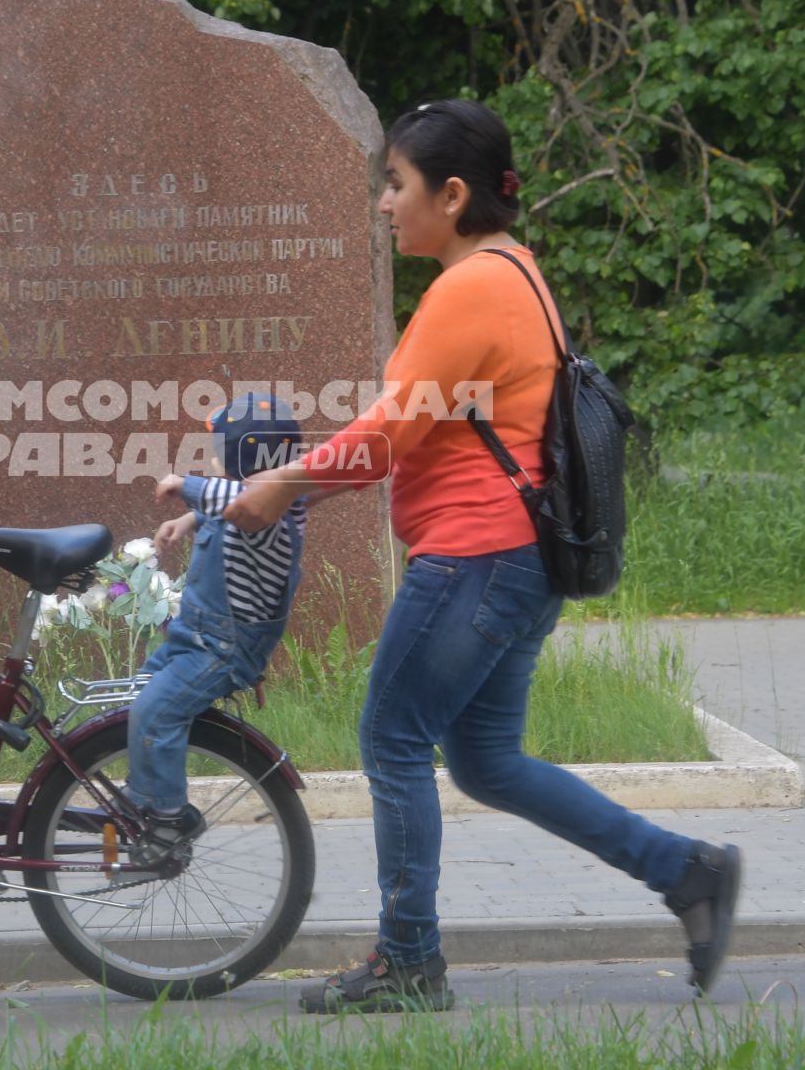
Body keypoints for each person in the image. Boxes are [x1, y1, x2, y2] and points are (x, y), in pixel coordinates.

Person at [223, 100, 741, 1013]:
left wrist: (283, 484)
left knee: (390, 736)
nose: (385, 204)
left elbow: (390, 436)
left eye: (395, 185)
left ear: (452, 194)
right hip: (520, 558)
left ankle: (408, 964)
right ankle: (686, 870)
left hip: (477, 556)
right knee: (488, 763)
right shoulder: (518, 271)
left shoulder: (470, 288)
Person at [124, 394, 308, 864]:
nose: (208, 455)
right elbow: (227, 502)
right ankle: (143, 791)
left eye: (215, 446)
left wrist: (182, 485)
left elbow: (234, 498)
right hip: (197, 638)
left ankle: (169, 817)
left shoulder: (274, 508)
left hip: (224, 649)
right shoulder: (253, 500)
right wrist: (185, 520)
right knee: (140, 697)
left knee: (156, 712)